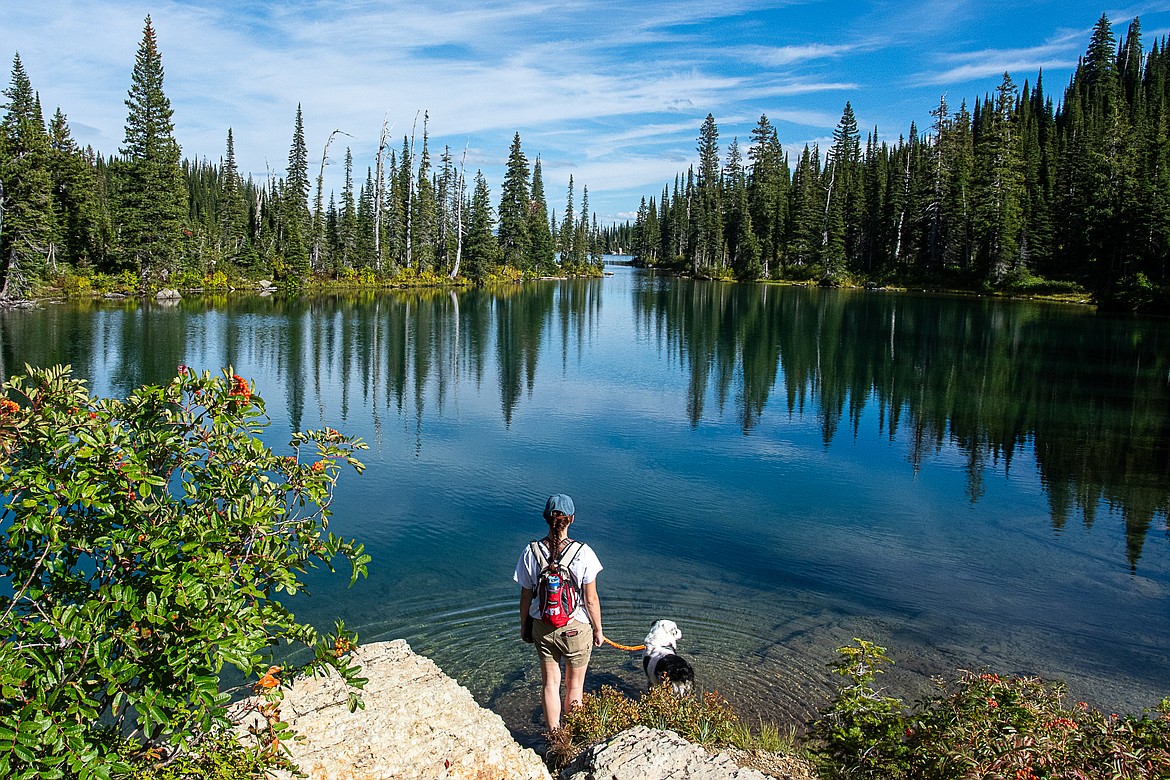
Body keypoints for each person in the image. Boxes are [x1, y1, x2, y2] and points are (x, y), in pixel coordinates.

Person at [514, 493, 605, 731]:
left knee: (550, 684)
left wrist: (525, 626)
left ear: (546, 519)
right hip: (576, 629)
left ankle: (555, 736)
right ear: (571, 519)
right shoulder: (584, 552)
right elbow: (591, 599)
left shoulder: (531, 551)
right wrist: (598, 630)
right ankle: (573, 736)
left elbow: (526, 596)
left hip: (542, 627)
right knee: (575, 687)